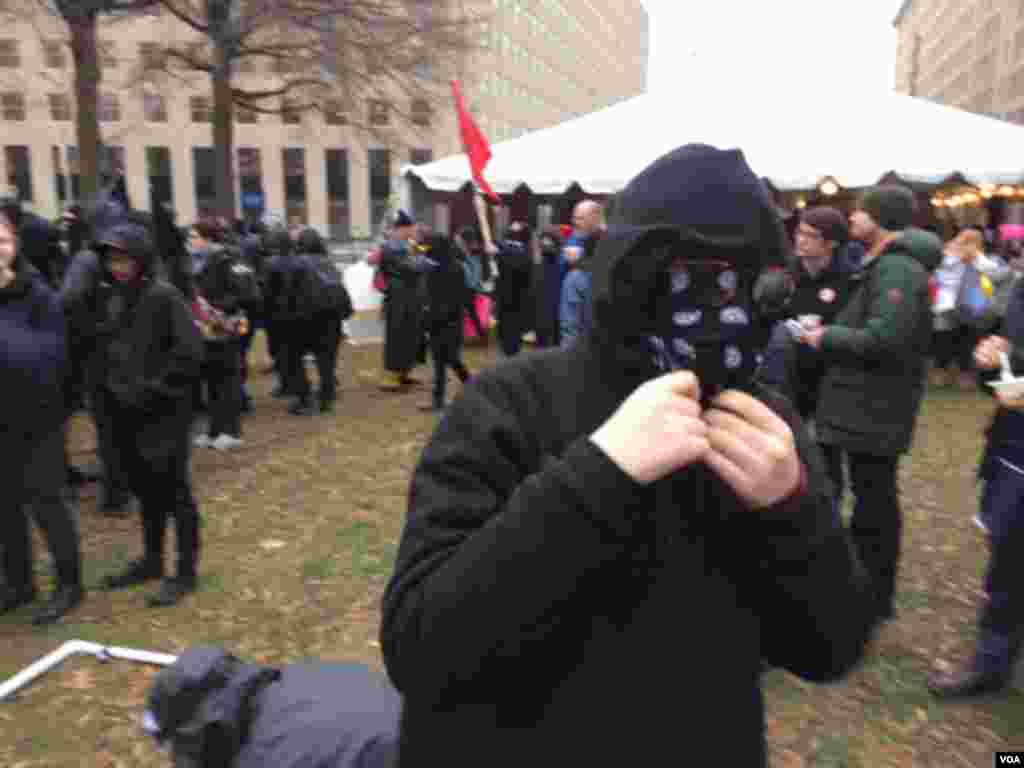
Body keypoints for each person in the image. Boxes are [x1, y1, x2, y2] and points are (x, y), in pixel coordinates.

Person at [380, 144, 873, 767]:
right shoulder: (509, 403)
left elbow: (828, 648)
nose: (716, 308)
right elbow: (422, 650)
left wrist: (794, 511)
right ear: (630, 275)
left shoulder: (764, 422)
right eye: (681, 276)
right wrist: (597, 475)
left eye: (743, 281)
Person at [801, 184, 933, 628]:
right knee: (869, 497)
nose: (852, 218)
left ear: (880, 219)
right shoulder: (883, 264)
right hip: (863, 404)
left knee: (874, 501)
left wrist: (826, 337)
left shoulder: (897, 269)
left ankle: (875, 596)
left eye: (860, 212)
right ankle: (865, 589)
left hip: (875, 406)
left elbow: (885, 338)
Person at [93, 216, 205, 607]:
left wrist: (153, 390)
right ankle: (153, 559)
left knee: (175, 494)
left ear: (141, 258)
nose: (117, 267)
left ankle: (186, 571)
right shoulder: (115, 297)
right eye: (111, 260)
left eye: (124, 259)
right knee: (145, 491)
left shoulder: (164, 296)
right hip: (127, 415)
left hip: (165, 415)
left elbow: (190, 354)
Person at [928, 293, 1024, 697]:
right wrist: (993, 359)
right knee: (1009, 557)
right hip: (1015, 449)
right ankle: (990, 663)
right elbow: (1008, 365)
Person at [0, 206, 84, 625]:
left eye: (2, 240)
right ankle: (17, 583)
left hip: (38, 420)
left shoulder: (38, 296)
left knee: (47, 503)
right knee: (5, 509)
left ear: (14, 247)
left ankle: (69, 584)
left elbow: (45, 360)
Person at [293, 227, 346, 414]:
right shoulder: (329, 263)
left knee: (295, 359)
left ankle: (304, 399)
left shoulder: (298, 263)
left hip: (307, 318)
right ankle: (326, 400)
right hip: (332, 319)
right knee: (327, 362)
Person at [418, 233, 471, 412]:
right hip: (435, 321)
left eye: (430, 250)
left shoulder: (455, 269)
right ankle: (438, 400)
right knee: (439, 361)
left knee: (451, 359)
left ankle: (472, 385)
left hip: (450, 323)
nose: (427, 254)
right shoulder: (433, 267)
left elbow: (457, 299)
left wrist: (437, 315)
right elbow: (429, 294)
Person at [377, 210, 427, 390]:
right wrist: (424, 262)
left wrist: (422, 258)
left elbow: (418, 261)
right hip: (400, 298)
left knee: (411, 334)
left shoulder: (407, 244)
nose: (416, 230)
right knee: (398, 335)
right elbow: (410, 267)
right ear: (404, 228)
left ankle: (405, 373)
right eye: (414, 227)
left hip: (411, 297)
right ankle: (392, 377)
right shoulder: (393, 247)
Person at [490, 221, 533, 357]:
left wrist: (499, 252)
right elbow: (502, 248)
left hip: (516, 303)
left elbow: (517, 261)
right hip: (503, 300)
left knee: (511, 343)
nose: (513, 226)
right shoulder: (506, 247)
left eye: (516, 226)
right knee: (503, 338)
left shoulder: (525, 252)